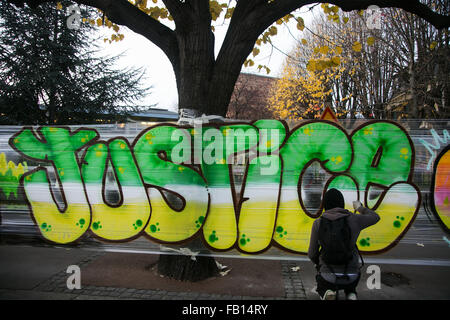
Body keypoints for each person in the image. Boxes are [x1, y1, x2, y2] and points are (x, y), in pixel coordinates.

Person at [308, 188, 380, 300]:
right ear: (342, 203)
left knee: (322, 285)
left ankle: (327, 292)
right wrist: (360, 207)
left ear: (325, 204)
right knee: (350, 282)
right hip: (351, 276)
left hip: (328, 276)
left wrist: (318, 264)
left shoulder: (318, 223)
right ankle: (351, 293)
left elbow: (312, 253)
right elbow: (375, 217)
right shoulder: (354, 219)